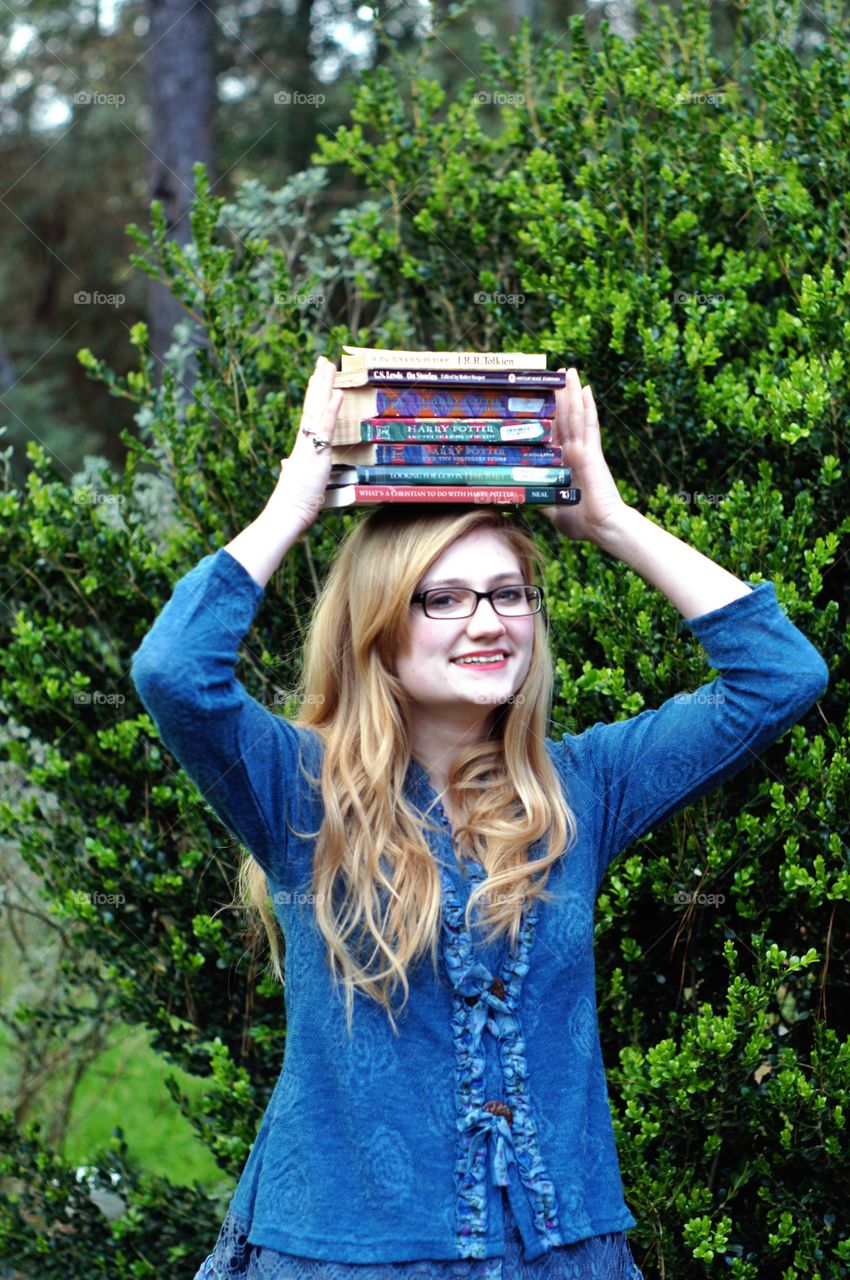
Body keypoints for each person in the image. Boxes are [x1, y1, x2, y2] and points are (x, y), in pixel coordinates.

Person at [130, 356, 829, 1280]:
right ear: (379, 627)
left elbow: (780, 677)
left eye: (510, 594)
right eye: (444, 599)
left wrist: (610, 523)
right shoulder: (300, 793)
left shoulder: (580, 790)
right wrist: (294, 503)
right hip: (348, 1258)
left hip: (561, 1254)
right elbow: (175, 672)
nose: (489, 622)